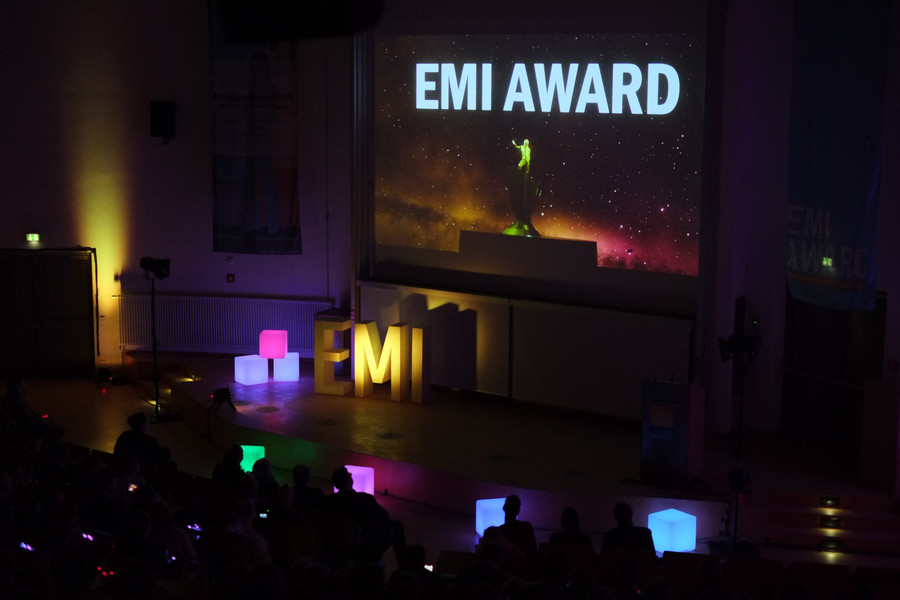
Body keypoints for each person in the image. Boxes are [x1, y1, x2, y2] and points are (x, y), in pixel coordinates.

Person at [320, 466, 394, 564]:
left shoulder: (328, 500)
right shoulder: (364, 498)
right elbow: (383, 515)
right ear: (350, 480)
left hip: (335, 542)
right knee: (395, 525)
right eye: (349, 475)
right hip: (361, 542)